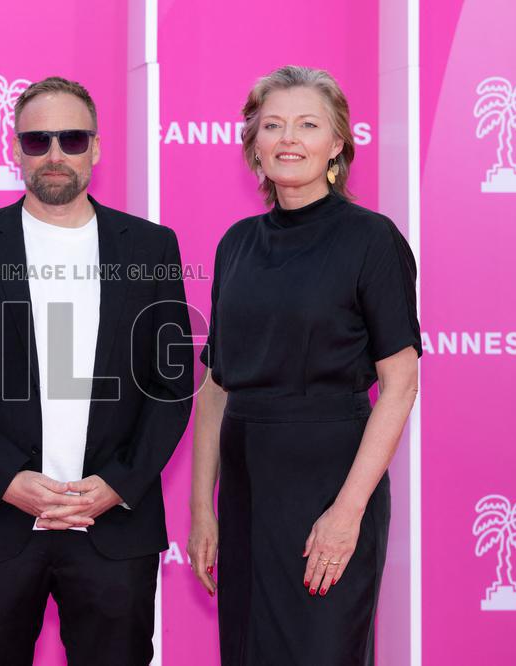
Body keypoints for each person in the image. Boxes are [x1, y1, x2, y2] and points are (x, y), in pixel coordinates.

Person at [0, 76, 194, 666]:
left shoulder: (151, 248)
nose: (55, 155)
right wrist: (7, 479)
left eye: (71, 138)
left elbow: (171, 388)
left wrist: (117, 484)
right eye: (38, 140)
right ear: (15, 150)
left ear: (96, 147)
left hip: (115, 531)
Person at [187, 65, 422, 665]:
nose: (289, 138)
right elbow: (216, 385)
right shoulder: (236, 242)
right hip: (245, 487)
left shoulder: (371, 239)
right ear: (255, 144)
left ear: (337, 143)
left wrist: (348, 514)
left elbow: (400, 384)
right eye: (273, 125)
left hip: (330, 480)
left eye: (308, 124)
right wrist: (200, 507)